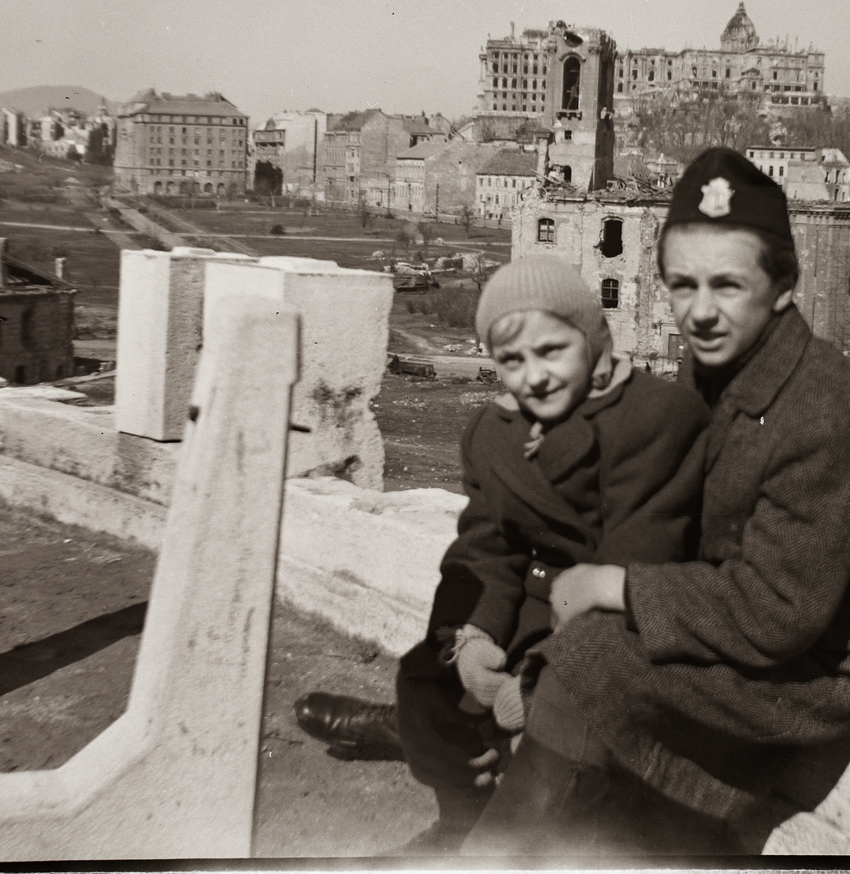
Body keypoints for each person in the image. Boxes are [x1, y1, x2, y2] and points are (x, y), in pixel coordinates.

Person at [459, 147, 850, 856]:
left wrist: (619, 585)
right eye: (681, 284)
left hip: (805, 666)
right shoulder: (723, 360)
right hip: (728, 612)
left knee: (594, 660)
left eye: (727, 285)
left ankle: (492, 854)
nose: (699, 312)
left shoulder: (827, 415)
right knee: (549, 590)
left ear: (784, 283)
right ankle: (479, 781)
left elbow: (778, 612)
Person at [294, 256, 710, 854]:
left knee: (553, 731)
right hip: (528, 601)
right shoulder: (493, 432)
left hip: (618, 624)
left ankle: (493, 848)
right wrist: (474, 635)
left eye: (552, 351)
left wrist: (537, 675)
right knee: (424, 685)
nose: (534, 377)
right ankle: (461, 818)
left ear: (595, 339)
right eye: (512, 360)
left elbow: (636, 563)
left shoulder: (653, 418)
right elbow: (484, 545)